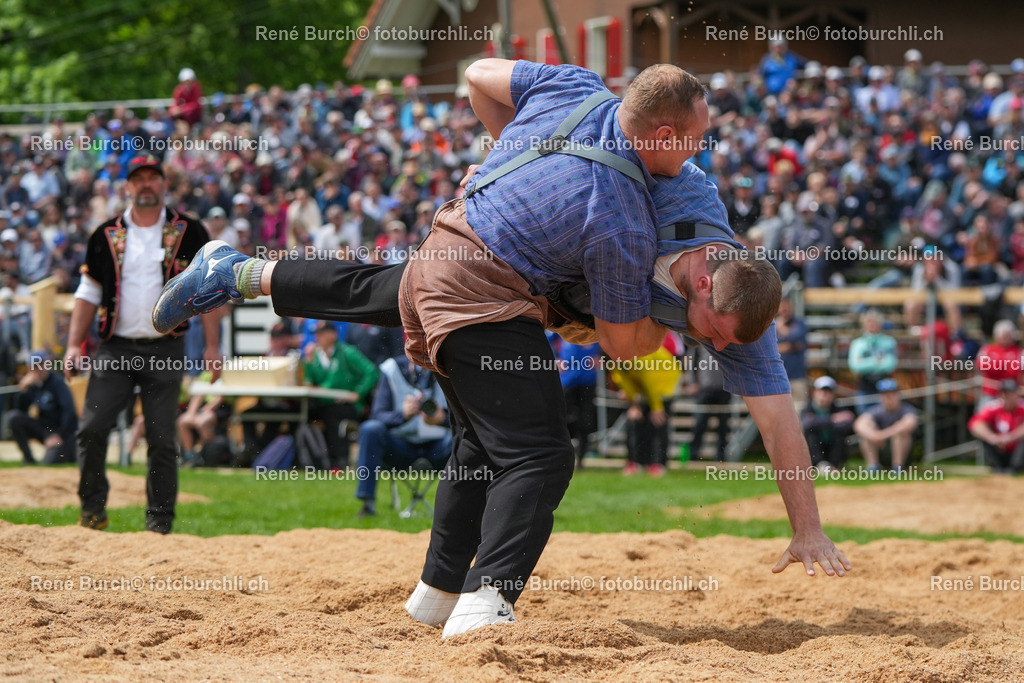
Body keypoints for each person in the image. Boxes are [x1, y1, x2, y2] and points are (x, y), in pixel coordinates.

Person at [154, 61, 849, 636]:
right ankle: (485, 601)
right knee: (539, 453)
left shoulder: (583, 96)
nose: (712, 347)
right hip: (489, 288)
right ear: (701, 280)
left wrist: (809, 528)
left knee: (468, 421)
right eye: (693, 139)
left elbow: (778, 418)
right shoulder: (634, 217)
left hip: (459, 248)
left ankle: (242, 273)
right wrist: (630, 330)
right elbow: (622, 342)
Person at [65, 153, 221, 533]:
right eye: (139, 179)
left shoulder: (190, 231)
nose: (146, 185)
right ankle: (92, 511)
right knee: (92, 428)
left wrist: (213, 348)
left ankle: (159, 522)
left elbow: (210, 291)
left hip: (165, 347)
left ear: (164, 184)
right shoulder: (105, 234)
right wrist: (72, 345)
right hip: (114, 347)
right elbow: (88, 292)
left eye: (153, 178)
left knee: (162, 437)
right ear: (128, 186)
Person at [355, 354, 451, 517]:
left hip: (440, 448)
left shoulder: (449, 365)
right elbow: (377, 415)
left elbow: (469, 418)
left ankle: (466, 510)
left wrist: (443, 419)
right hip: (401, 448)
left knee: (466, 435)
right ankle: (367, 505)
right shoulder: (392, 368)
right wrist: (402, 415)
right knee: (370, 429)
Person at [302, 320, 379, 469]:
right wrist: (308, 362)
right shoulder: (315, 356)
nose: (318, 337)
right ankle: (314, 460)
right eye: (317, 334)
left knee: (331, 414)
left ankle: (339, 460)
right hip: (323, 403)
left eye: (322, 334)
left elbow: (371, 371)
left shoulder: (347, 352)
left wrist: (358, 392)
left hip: (347, 405)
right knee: (305, 414)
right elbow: (309, 381)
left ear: (333, 335)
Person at [612, 341, 681, 476]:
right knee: (636, 422)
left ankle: (658, 464)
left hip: (665, 382)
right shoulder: (615, 358)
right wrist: (634, 405)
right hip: (645, 386)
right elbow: (624, 381)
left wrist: (657, 408)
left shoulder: (639, 354)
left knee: (658, 424)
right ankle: (636, 462)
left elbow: (651, 381)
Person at [8, 350, 78, 465]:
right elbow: (21, 410)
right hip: (45, 428)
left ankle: (69, 453)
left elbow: (69, 412)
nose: (39, 369)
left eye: (41, 365)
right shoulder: (32, 384)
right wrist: (23, 392)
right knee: (13, 418)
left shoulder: (57, 383)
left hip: (61, 430)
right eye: (34, 366)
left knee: (49, 463)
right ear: (29, 368)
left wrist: (59, 435)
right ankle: (28, 459)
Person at [853, 379, 918, 472]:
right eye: (886, 394)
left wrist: (882, 435)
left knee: (900, 432)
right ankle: (873, 466)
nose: (889, 397)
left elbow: (910, 423)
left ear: (898, 395)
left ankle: (897, 467)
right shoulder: (876, 410)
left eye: (892, 394)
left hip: (904, 452)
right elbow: (859, 424)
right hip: (881, 448)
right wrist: (874, 435)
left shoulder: (907, 409)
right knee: (867, 430)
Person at [968, 378, 1024, 474]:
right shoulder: (993, 407)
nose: (1006, 396)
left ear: (1017, 394)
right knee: (985, 431)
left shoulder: (1021, 407)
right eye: (1004, 393)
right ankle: (997, 469)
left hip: (1017, 453)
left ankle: (1015, 468)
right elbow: (975, 424)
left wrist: (1011, 437)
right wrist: (992, 437)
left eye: (1010, 393)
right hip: (999, 450)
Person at [847, 309, 898, 412]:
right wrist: (877, 361)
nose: (871, 325)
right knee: (863, 416)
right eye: (868, 322)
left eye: (874, 322)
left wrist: (864, 362)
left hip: (884, 387)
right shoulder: (857, 343)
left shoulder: (889, 342)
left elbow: (890, 364)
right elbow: (855, 366)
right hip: (864, 386)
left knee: (884, 416)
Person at [801, 376, 855, 471]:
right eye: (822, 391)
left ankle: (834, 465)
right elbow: (807, 424)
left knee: (839, 433)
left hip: (831, 448)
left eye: (828, 392)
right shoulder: (807, 408)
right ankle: (819, 464)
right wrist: (833, 419)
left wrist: (820, 421)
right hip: (815, 450)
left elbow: (848, 425)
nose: (824, 395)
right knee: (811, 433)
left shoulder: (837, 408)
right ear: (814, 393)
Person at [687, 344, 731, 462]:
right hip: (705, 389)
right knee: (700, 423)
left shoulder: (728, 342)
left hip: (724, 388)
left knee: (723, 426)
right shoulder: (700, 342)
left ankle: (721, 456)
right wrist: (693, 382)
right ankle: (693, 455)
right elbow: (693, 362)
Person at [775, 297, 808, 405]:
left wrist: (781, 328)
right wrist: (789, 347)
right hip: (778, 377)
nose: (784, 310)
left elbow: (797, 340)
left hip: (797, 377)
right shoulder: (771, 325)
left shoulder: (799, 323)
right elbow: (769, 349)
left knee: (800, 408)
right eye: (782, 307)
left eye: (787, 306)